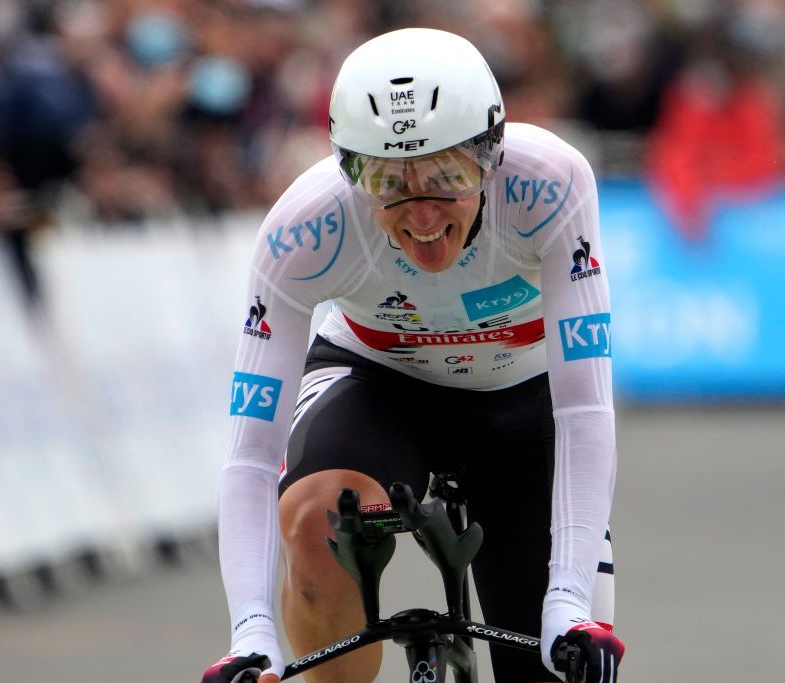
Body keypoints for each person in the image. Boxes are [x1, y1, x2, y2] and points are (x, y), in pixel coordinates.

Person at [199, 28, 624, 683]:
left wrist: (567, 603)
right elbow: (252, 451)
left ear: (490, 156)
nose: (420, 214)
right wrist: (250, 634)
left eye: (446, 177)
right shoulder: (302, 231)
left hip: (524, 395)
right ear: (348, 170)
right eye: (387, 181)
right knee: (317, 520)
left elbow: (584, 403)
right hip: (379, 380)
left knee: (566, 661)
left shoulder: (551, 184)